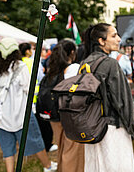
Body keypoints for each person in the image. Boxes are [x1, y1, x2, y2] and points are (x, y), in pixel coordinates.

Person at [81, 23, 134, 172]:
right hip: (112, 130)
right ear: (101, 41)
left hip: (92, 128)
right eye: (113, 35)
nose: (119, 39)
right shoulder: (110, 64)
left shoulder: (84, 63)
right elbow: (123, 102)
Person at [0, 38, 56, 172]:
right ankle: (47, 166)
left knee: (7, 147)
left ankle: (10, 171)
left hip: (1, 114)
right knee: (35, 140)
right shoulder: (20, 66)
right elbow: (28, 88)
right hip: (21, 112)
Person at [45, 39, 84, 172]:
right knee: (72, 151)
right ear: (72, 52)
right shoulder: (74, 68)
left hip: (54, 115)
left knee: (61, 147)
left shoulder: (52, 70)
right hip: (69, 114)